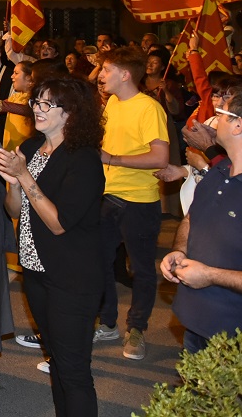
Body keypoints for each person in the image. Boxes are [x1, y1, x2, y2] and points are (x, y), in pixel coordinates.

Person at [0, 77, 105, 417]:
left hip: (72, 276)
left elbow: (58, 223)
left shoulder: (83, 159)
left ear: (70, 113)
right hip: (36, 272)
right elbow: (14, 210)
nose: (36, 109)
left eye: (45, 104)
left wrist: (24, 177)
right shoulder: (28, 148)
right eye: (35, 102)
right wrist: (12, 184)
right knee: (55, 361)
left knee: (73, 370)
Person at [161, 84, 242, 351]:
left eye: (221, 113)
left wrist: (210, 275)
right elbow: (192, 219)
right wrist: (179, 250)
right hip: (198, 326)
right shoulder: (220, 172)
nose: (214, 120)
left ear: (238, 126)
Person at [96, 47, 170, 360]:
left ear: (125, 75)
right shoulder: (112, 102)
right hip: (107, 195)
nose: (100, 75)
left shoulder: (149, 108)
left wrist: (112, 158)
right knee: (97, 262)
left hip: (139, 201)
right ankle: (108, 322)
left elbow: (160, 157)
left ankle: (136, 328)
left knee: (140, 269)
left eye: (106, 69)